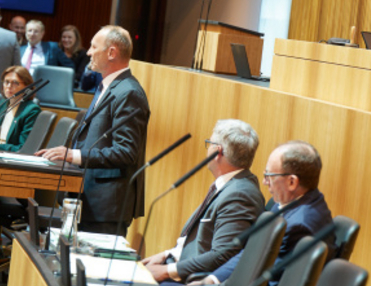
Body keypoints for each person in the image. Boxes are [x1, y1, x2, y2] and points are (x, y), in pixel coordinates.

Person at [35, 25, 150, 235]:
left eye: (93, 46)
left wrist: (75, 155)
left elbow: (126, 152)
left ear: (111, 52)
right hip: (86, 200)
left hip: (105, 208)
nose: (88, 52)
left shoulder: (129, 93)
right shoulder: (107, 86)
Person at [191, 141, 334, 286]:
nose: (265, 182)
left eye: (269, 175)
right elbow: (252, 252)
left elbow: (255, 273)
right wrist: (211, 279)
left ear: (292, 182)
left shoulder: (299, 225)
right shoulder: (291, 202)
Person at [142, 119, 265, 284]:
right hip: (180, 264)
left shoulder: (240, 195)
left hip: (191, 280)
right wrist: (167, 255)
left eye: (209, 143)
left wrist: (166, 271)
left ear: (217, 151)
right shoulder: (229, 185)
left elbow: (222, 255)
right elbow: (202, 242)